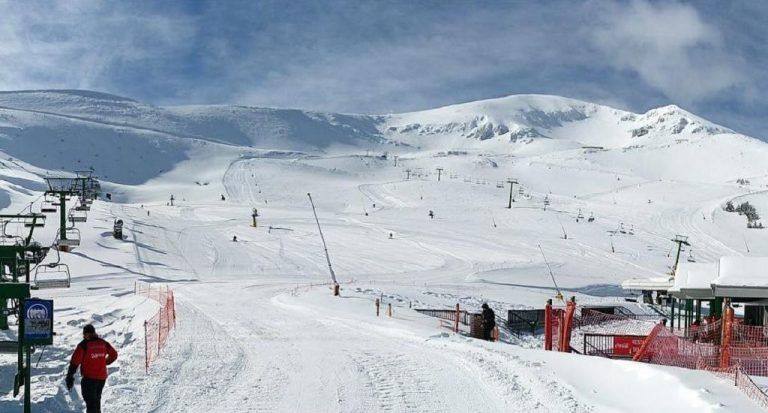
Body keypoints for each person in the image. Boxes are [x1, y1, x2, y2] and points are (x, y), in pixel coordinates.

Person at [66, 324, 118, 413]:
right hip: (101, 378)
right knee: (96, 402)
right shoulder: (103, 343)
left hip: (89, 379)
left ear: (86, 334)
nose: (84, 336)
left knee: (91, 405)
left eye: (84, 334)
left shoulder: (84, 345)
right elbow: (114, 354)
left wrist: (70, 376)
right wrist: (104, 362)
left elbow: (74, 362)